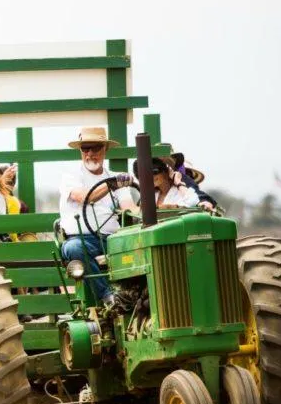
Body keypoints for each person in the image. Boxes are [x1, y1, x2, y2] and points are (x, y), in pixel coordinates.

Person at [58, 127, 135, 302]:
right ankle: (108, 296)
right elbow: (86, 197)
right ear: (80, 151)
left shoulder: (115, 178)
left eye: (95, 148)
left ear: (105, 149)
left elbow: (130, 209)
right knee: (73, 249)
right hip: (83, 240)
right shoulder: (70, 176)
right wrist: (112, 185)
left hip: (114, 241)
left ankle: (139, 298)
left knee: (142, 246)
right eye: (85, 148)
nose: (90, 154)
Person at [132, 157, 200, 209]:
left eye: (154, 172)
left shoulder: (179, 191)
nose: (151, 177)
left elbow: (193, 201)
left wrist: (178, 182)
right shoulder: (151, 195)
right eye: (146, 175)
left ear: (166, 171)